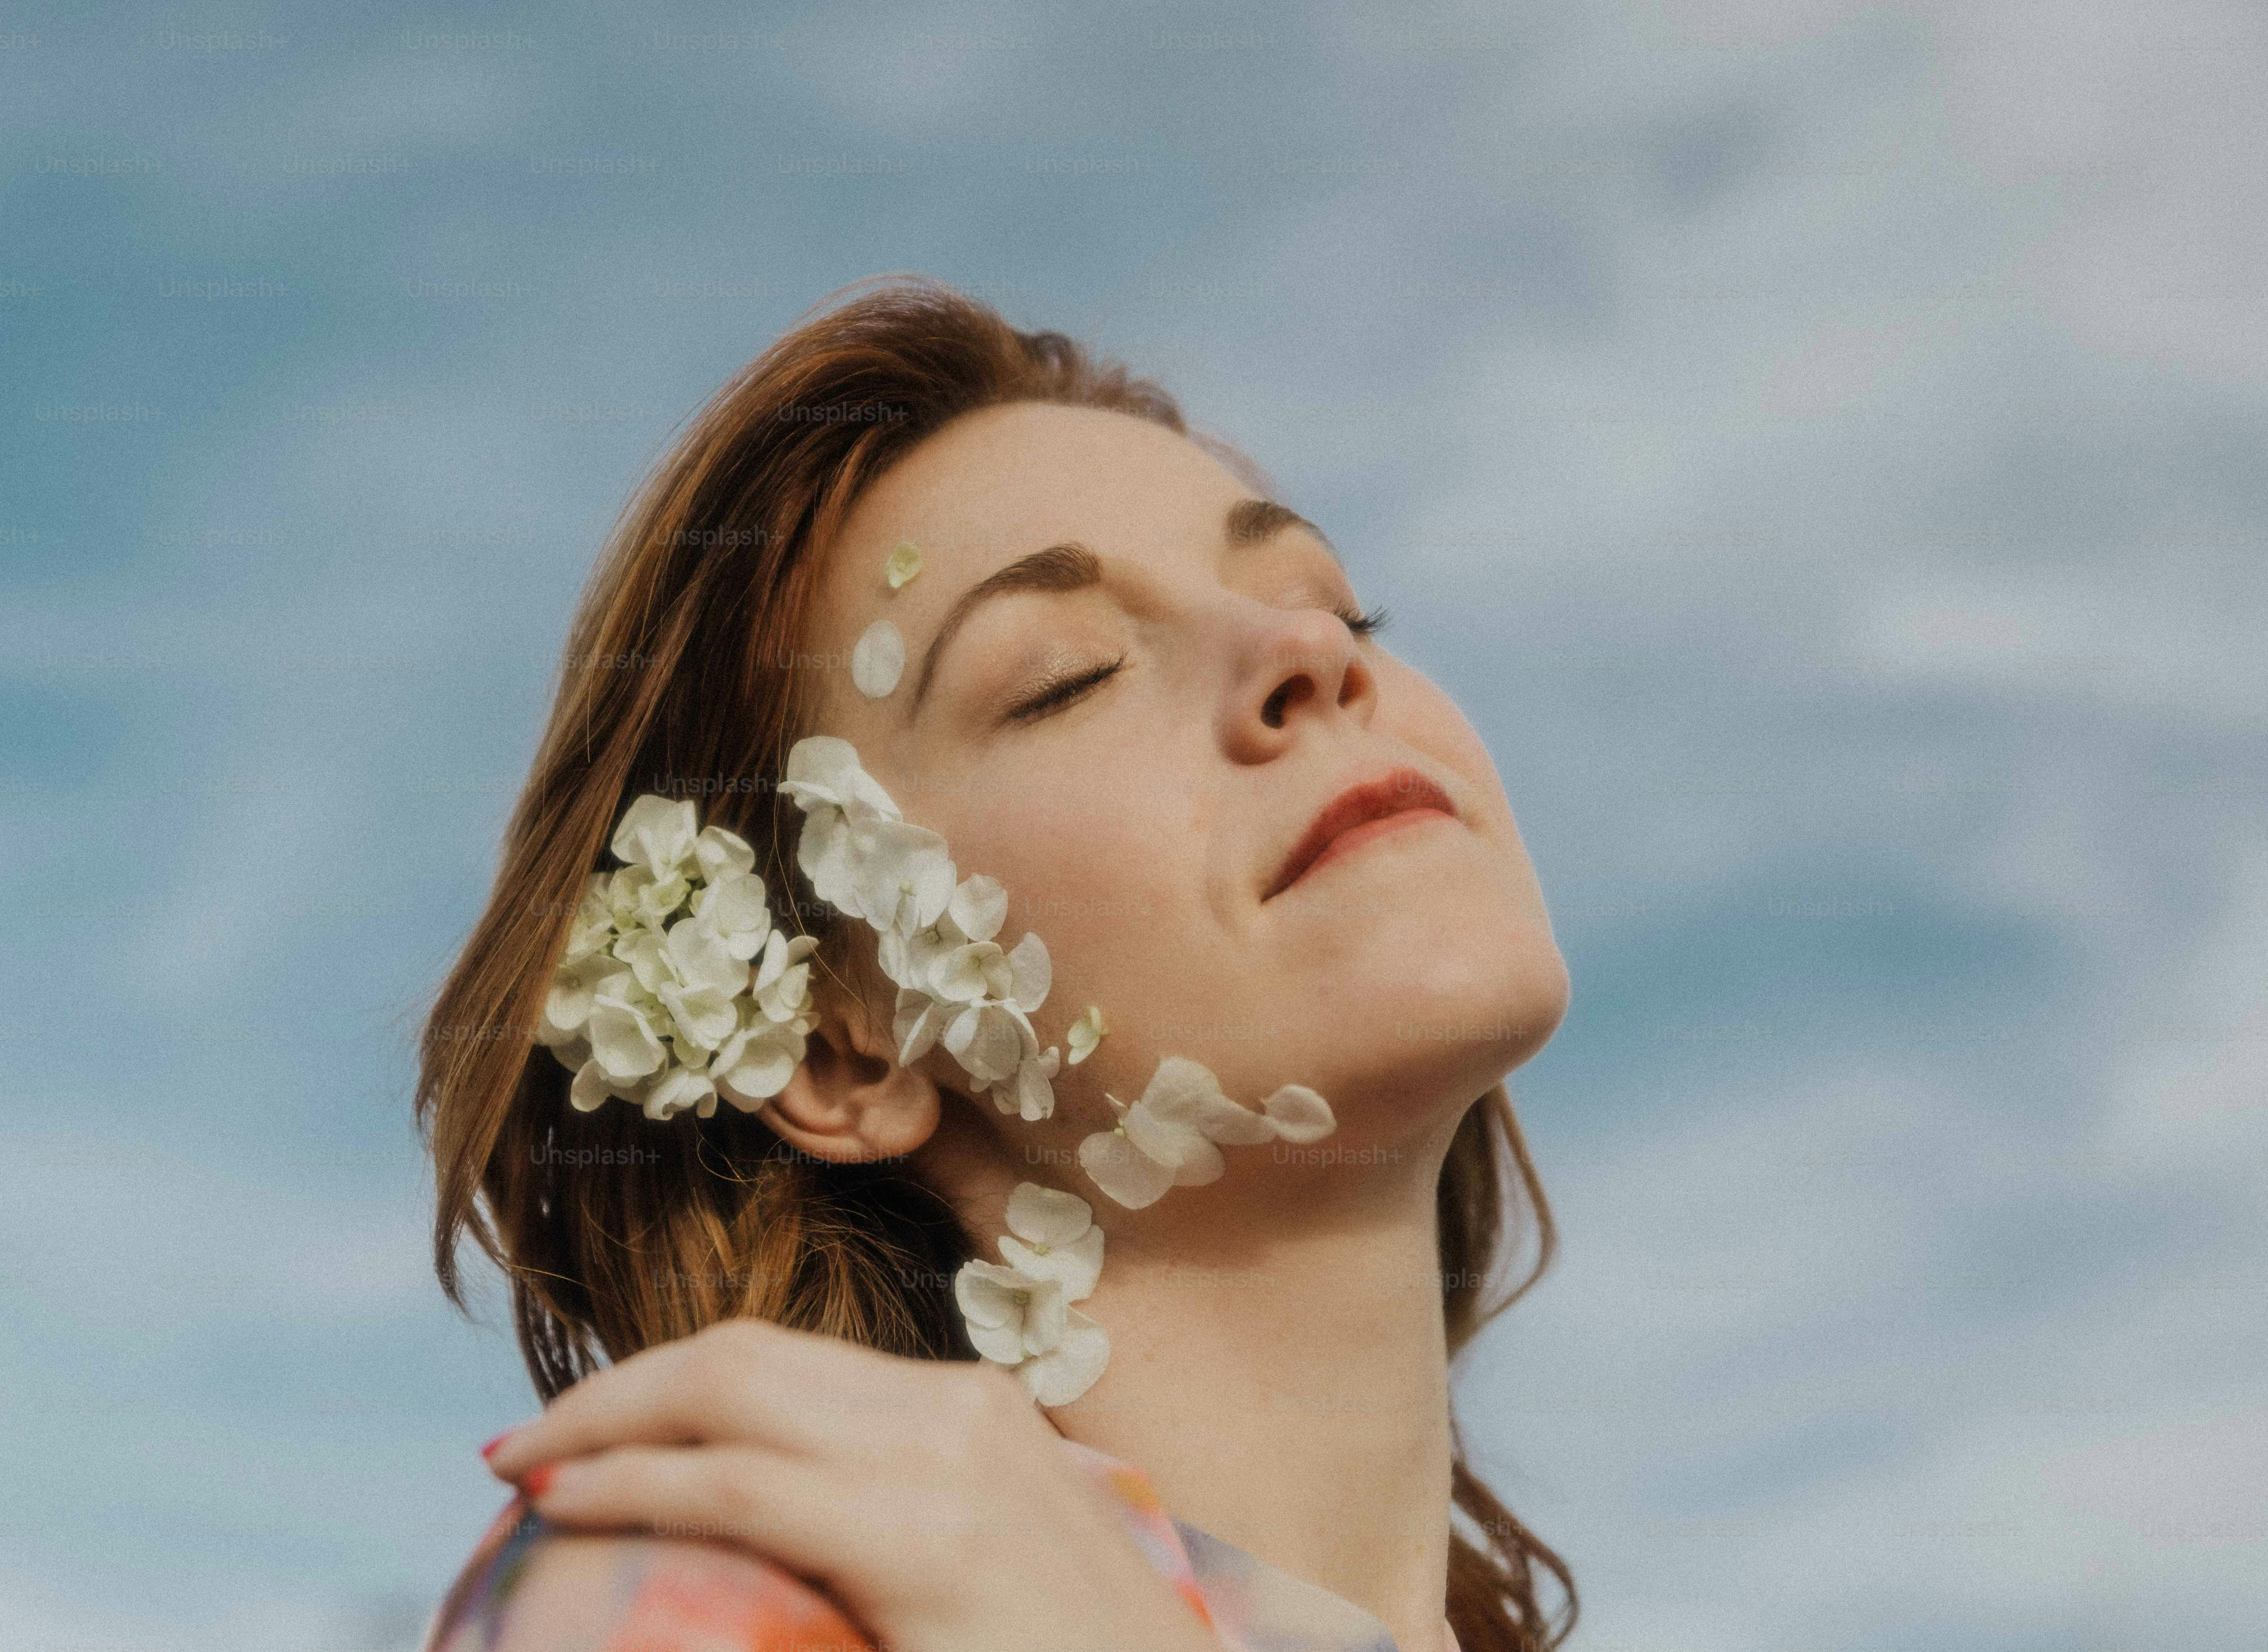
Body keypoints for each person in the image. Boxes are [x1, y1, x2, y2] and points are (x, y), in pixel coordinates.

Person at [412, 276, 1576, 1652]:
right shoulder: (754, 1570)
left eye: (1342, 604)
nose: (1310, 651)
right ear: (841, 1044)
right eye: (1066, 674)